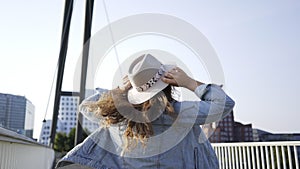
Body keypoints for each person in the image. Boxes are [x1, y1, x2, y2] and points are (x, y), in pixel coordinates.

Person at [56, 54, 235, 169]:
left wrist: (119, 90)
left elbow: (86, 107)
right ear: (168, 85)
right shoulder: (180, 114)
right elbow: (224, 103)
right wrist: (189, 82)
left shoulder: (120, 117)